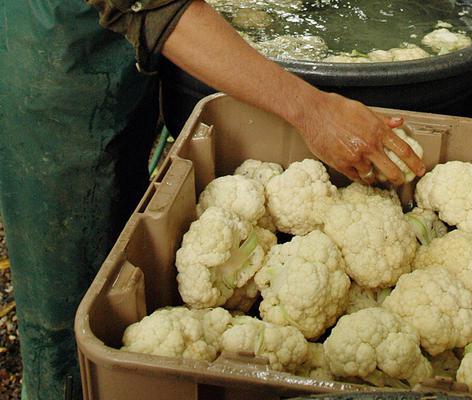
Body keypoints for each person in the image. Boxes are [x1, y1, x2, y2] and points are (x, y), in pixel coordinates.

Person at [0, 1, 425, 399]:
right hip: (57, 80)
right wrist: (311, 110)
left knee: (120, 244)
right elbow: (158, 9)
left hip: (120, 67)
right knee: (73, 299)